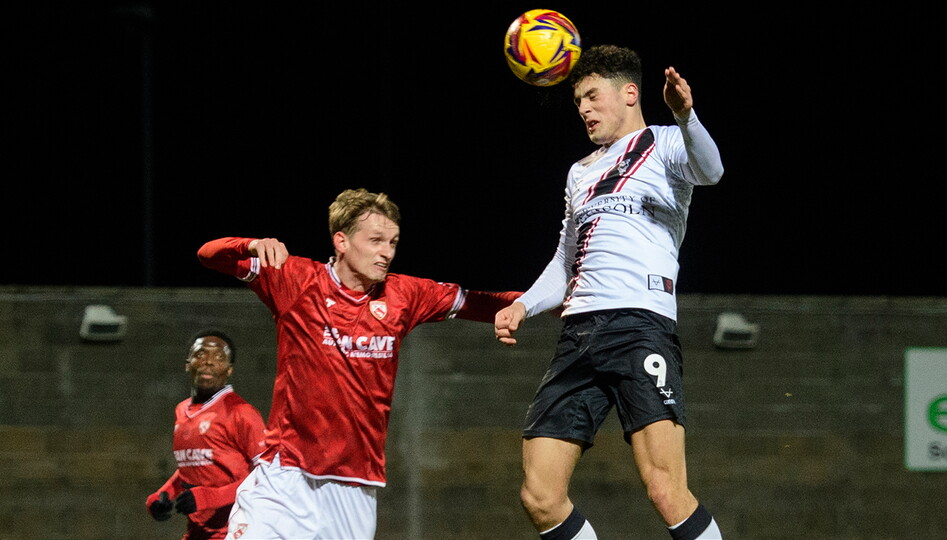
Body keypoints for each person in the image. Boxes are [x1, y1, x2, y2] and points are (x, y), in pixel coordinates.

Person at [197, 188, 521, 539]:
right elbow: (209, 255)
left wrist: (541, 303)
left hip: (356, 485)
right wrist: (250, 244)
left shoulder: (404, 295)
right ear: (342, 241)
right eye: (377, 240)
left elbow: (480, 303)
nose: (387, 253)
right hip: (286, 476)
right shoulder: (295, 279)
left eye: (393, 243)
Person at [494, 44, 724, 540]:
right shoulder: (580, 172)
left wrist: (686, 115)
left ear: (629, 94)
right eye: (578, 101)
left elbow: (712, 171)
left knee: (665, 490)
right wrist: (522, 304)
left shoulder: (664, 144)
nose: (584, 109)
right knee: (540, 494)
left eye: (592, 96)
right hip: (578, 334)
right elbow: (564, 259)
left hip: (640, 327)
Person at [145, 329, 266, 540]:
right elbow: (192, 467)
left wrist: (211, 497)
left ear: (229, 370)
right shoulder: (181, 410)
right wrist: (163, 494)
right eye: (201, 355)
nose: (208, 362)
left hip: (238, 530)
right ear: (187, 363)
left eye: (219, 357)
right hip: (198, 532)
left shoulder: (241, 412)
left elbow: (268, 476)